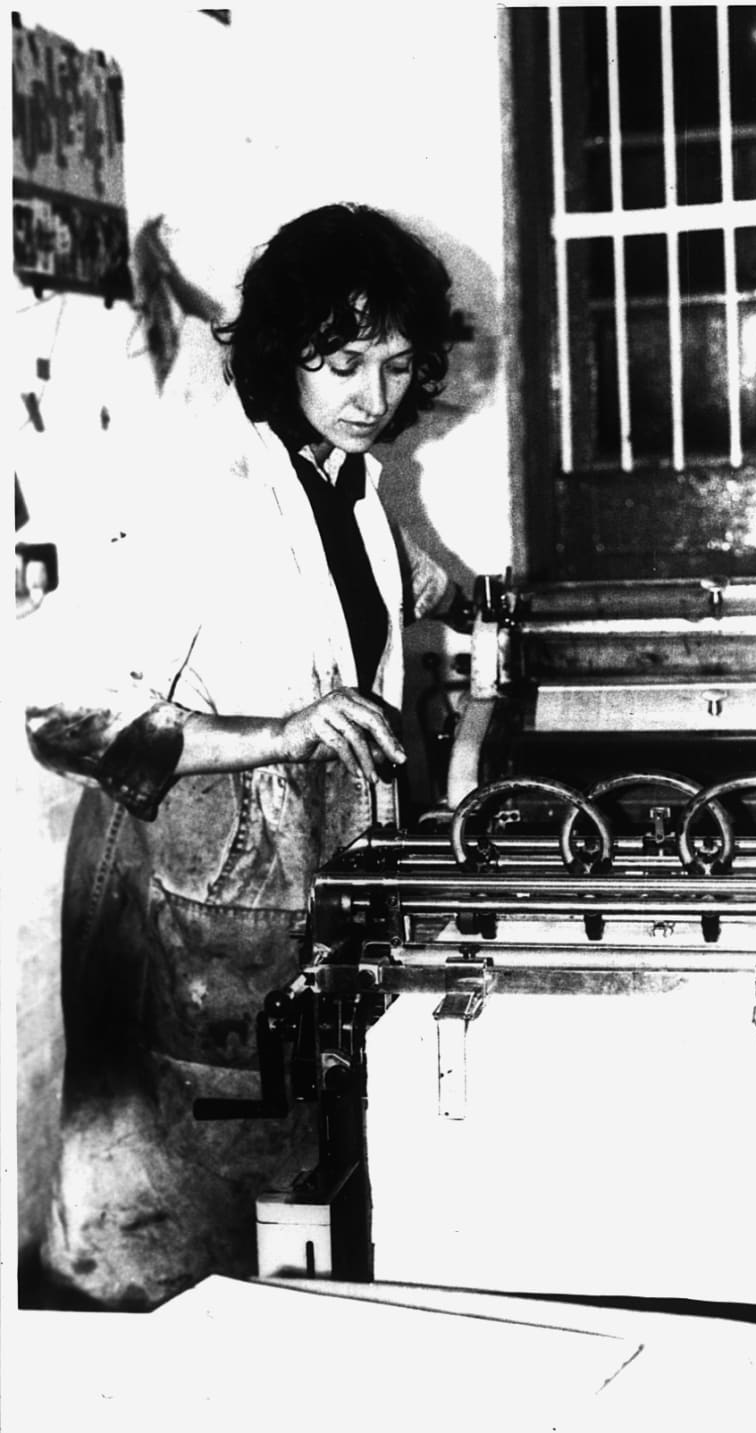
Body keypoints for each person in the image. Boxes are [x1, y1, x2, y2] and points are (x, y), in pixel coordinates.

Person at [24, 202, 470, 1309]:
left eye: (400, 366)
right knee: (174, 1251)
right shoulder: (204, 491)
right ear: (286, 354)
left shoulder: (346, 483)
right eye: (344, 362)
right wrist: (281, 731)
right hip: (186, 889)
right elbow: (54, 703)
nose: (376, 396)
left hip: (289, 900)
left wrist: (449, 591)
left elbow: (362, 591)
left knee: (284, 1209)